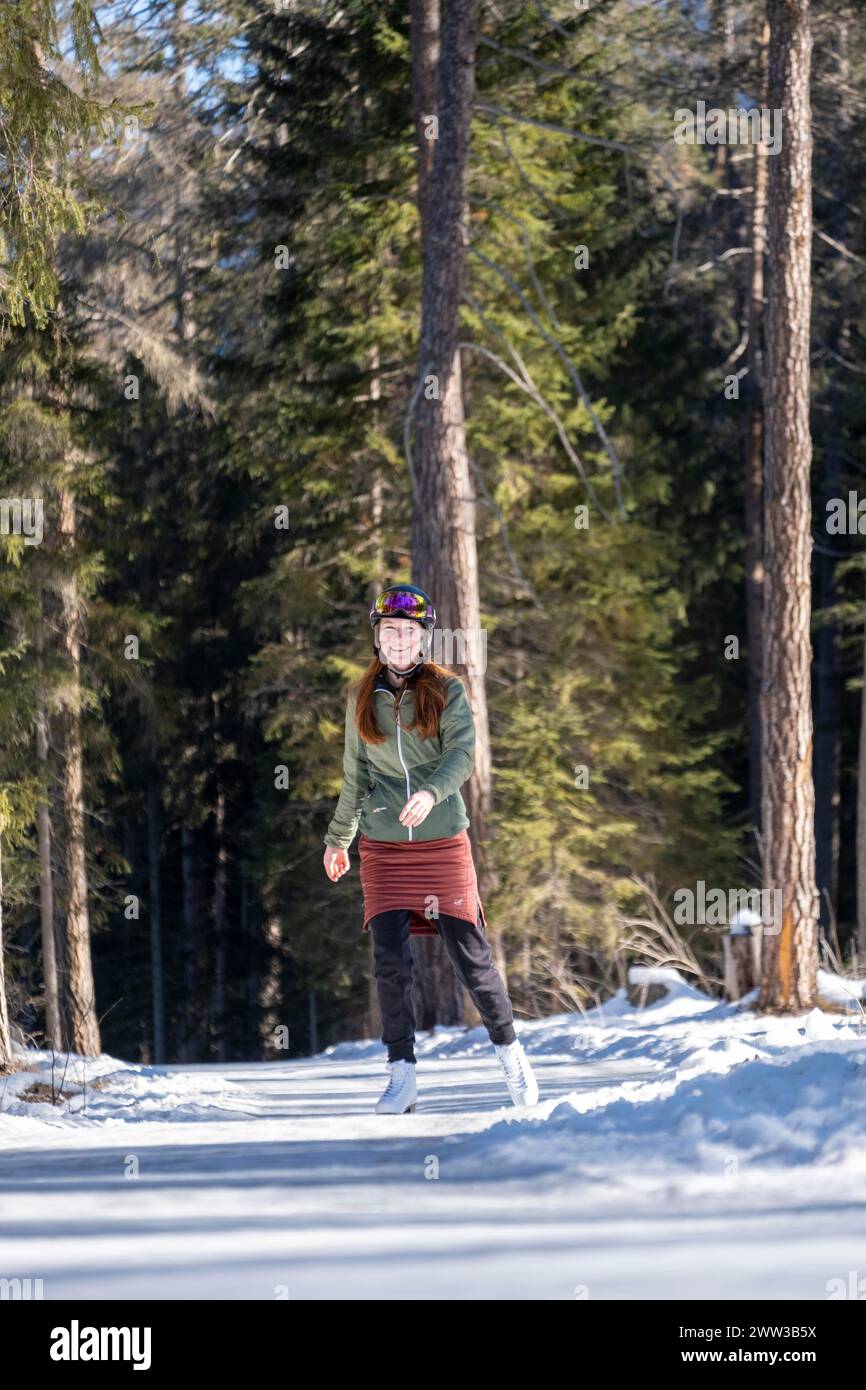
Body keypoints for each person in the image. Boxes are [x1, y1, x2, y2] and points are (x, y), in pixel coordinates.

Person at [323, 583, 539, 1114]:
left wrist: (430, 791)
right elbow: (354, 776)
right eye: (389, 631)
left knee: (471, 956)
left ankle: (511, 1057)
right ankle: (402, 1075)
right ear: (378, 638)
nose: (399, 640)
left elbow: (462, 754)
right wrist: (338, 838)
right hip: (383, 844)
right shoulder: (360, 698)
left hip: (441, 839)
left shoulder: (447, 691)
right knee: (391, 962)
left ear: (425, 638)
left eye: (409, 631)